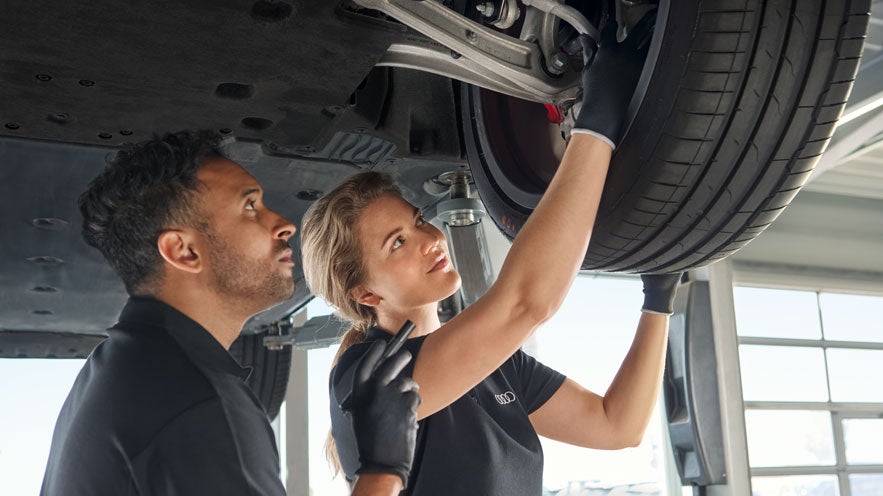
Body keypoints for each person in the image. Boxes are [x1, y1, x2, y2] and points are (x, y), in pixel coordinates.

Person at [300, 18, 681, 496]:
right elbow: (526, 302)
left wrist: (658, 298)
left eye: (418, 221)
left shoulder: (499, 366)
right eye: (397, 243)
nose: (429, 239)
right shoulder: (366, 377)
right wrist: (596, 124)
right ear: (366, 292)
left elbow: (616, 426)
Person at [41, 130, 420, 496]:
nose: (285, 224)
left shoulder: (121, 369)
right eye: (250, 207)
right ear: (184, 251)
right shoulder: (199, 404)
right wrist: (383, 469)